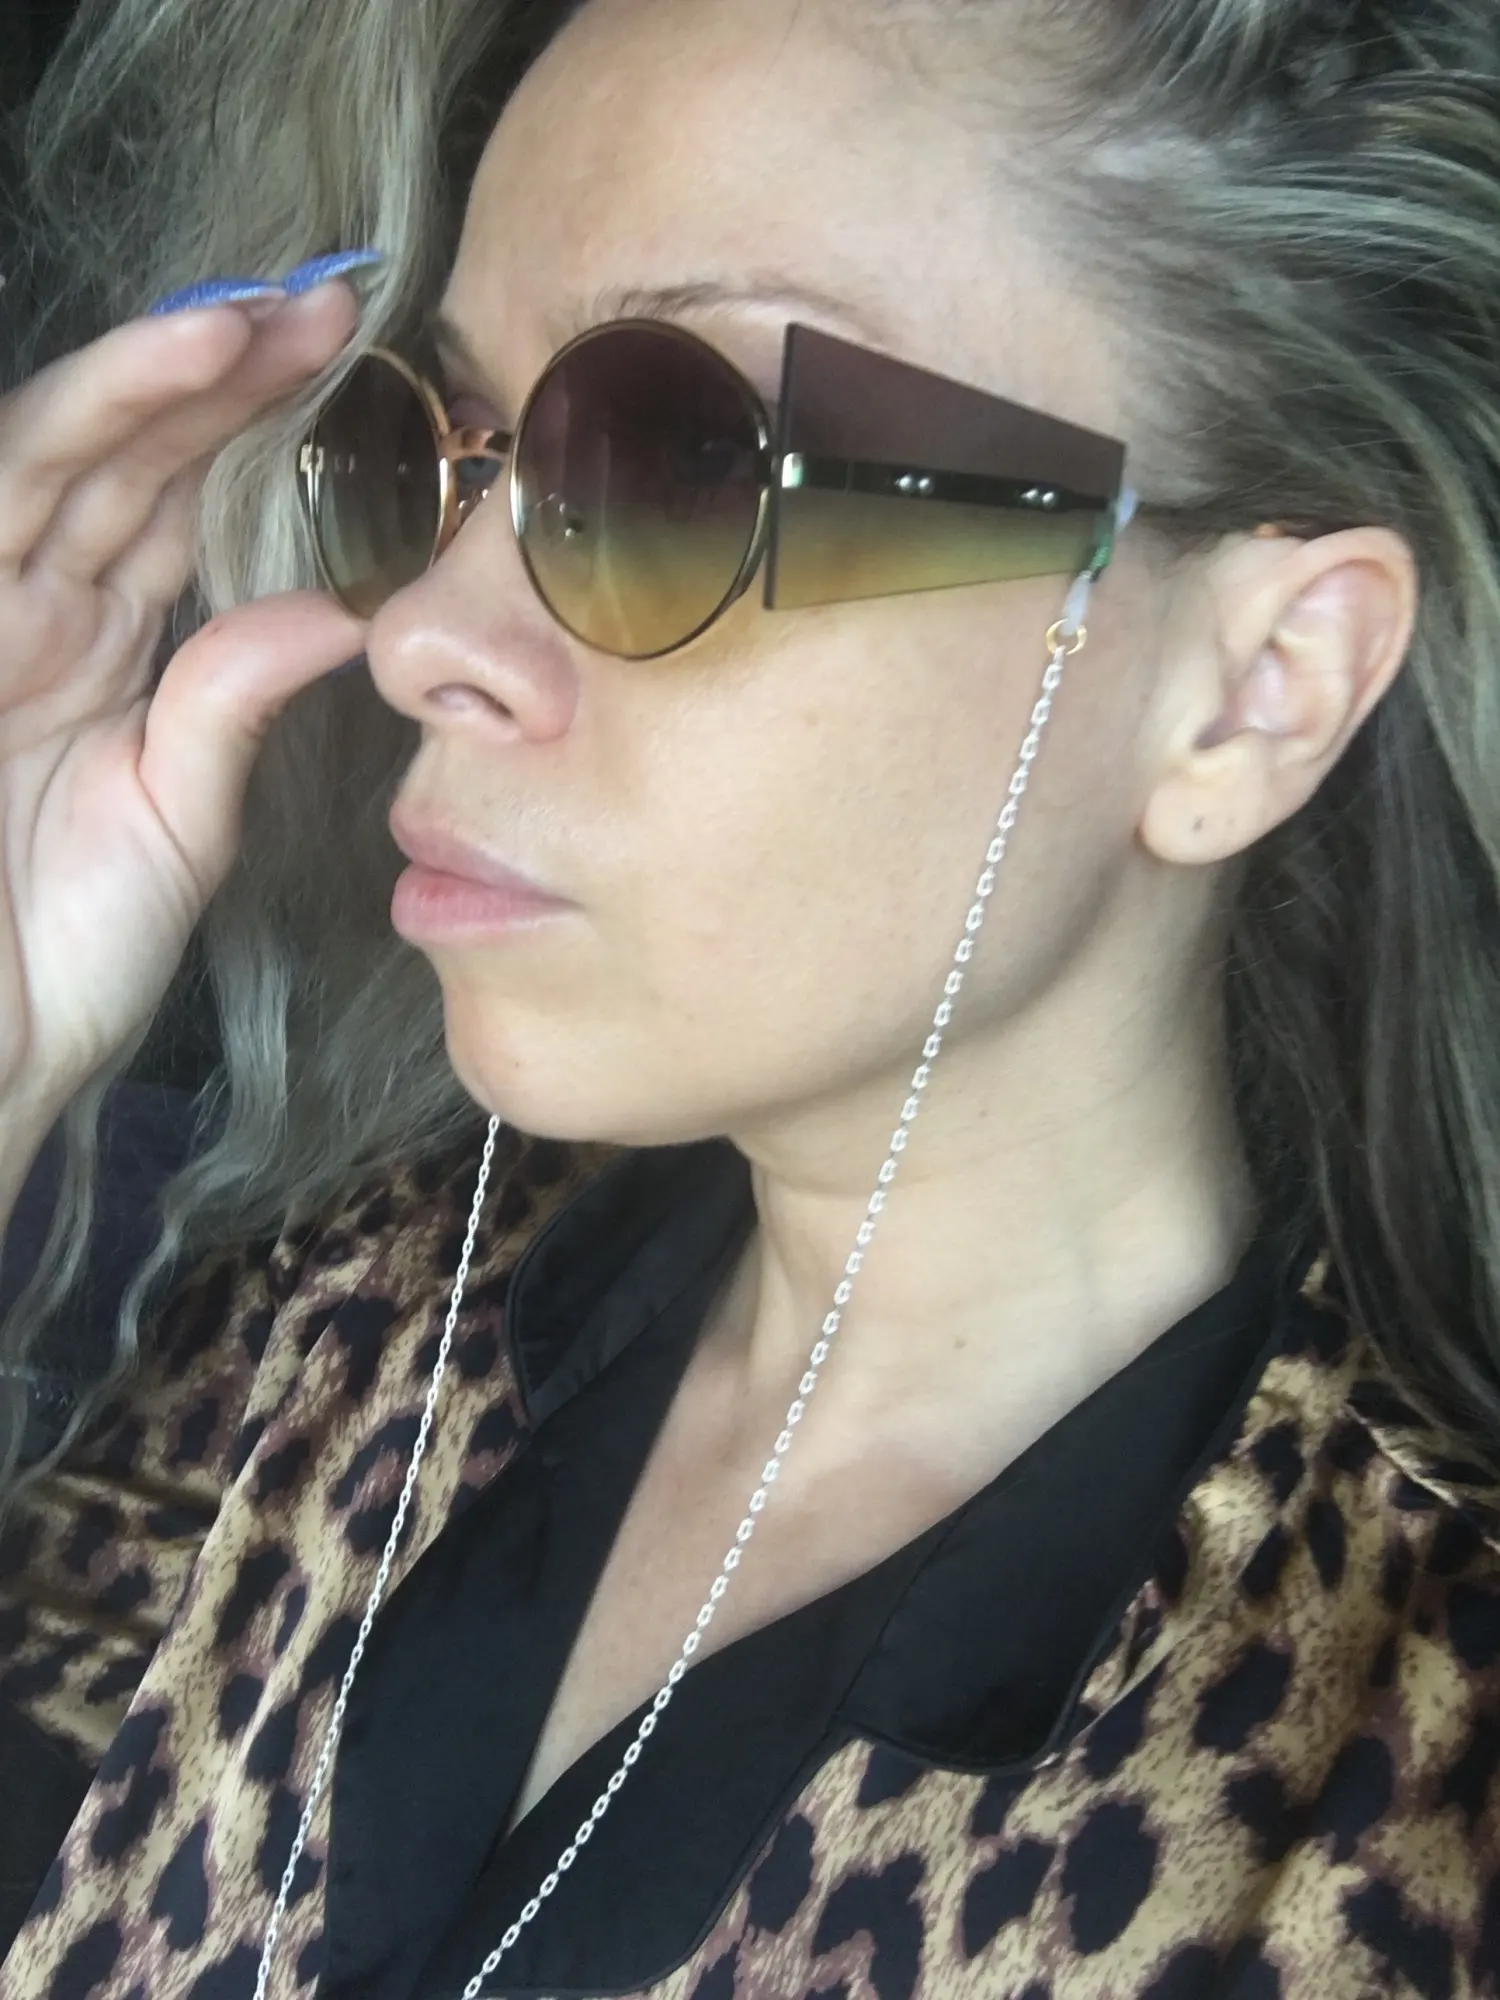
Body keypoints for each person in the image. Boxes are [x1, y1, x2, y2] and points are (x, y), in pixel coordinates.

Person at [0, 0, 1497, 1993]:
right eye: (433, 452)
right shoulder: (338, 1331)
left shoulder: (1409, 1795)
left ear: (1253, 692)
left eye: (677, 463)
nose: (426, 630)